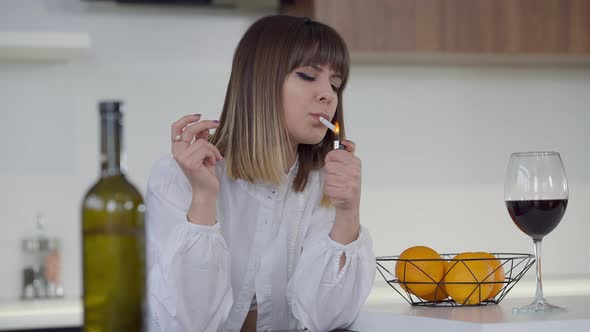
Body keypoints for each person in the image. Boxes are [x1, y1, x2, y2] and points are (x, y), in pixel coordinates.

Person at [146, 15, 375, 332]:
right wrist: (203, 199)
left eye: (335, 84)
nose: (328, 95)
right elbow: (188, 323)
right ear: (260, 81)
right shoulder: (177, 176)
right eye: (308, 75)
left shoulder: (322, 183)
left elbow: (328, 318)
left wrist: (348, 213)